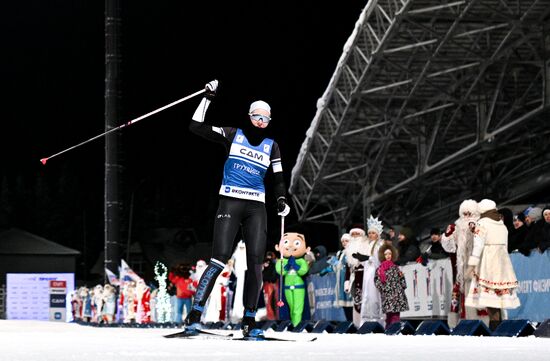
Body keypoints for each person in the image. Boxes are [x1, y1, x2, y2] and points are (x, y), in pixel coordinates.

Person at [184, 80, 290, 338]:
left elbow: (278, 178)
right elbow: (195, 126)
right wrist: (207, 98)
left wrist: (281, 199)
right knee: (219, 259)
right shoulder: (233, 134)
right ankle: (195, 315)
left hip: (256, 206)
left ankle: (249, 321)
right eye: (257, 117)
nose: (261, 122)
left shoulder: (272, 146)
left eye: (266, 119)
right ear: (250, 116)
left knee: (255, 263)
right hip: (230, 201)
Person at [464, 199, 520, 330]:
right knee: (499, 296)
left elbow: (478, 246)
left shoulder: (481, 224)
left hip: (488, 260)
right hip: (502, 262)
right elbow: (506, 245)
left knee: (489, 296)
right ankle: (498, 324)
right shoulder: (502, 224)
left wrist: (472, 264)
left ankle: (494, 326)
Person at [440, 199, 488, 328]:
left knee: (477, 296)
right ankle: (464, 323)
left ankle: (480, 323)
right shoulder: (458, 227)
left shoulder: (481, 225)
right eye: (464, 214)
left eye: (469, 213)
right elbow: (449, 247)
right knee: (463, 296)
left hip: (477, 266)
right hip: (463, 268)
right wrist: (448, 234)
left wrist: (474, 231)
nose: (466, 217)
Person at [275, 232, 310, 327]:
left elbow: (303, 271)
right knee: (291, 307)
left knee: (297, 308)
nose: (290, 246)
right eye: (286, 242)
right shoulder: (281, 261)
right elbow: (280, 271)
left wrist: (295, 266)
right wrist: (287, 266)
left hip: (299, 287)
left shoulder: (301, 261)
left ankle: (297, 325)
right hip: (287, 287)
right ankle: (294, 324)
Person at [374, 243, 409, 329]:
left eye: (389, 253)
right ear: (383, 255)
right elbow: (377, 282)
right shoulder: (379, 269)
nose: (388, 256)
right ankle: (389, 330)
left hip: (397, 295)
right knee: (389, 315)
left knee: (395, 315)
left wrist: (402, 281)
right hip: (387, 295)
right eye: (386, 254)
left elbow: (403, 283)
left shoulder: (396, 267)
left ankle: (394, 330)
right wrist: (385, 289)